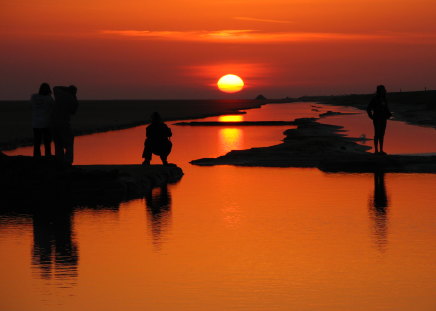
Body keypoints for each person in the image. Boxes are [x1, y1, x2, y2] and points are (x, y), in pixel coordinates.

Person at [53, 85, 78, 165]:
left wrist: (66, 89)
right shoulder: (73, 100)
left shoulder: (60, 95)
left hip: (54, 124)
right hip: (64, 124)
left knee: (58, 144)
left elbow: (55, 88)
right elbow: (73, 111)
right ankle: (68, 161)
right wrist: (73, 96)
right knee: (69, 144)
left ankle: (59, 161)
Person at [30, 83, 54, 157]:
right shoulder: (49, 99)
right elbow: (53, 107)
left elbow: (31, 106)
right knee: (47, 144)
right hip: (46, 124)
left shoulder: (34, 97)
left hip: (36, 124)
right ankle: (47, 158)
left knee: (37, 143)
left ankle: (37, 159)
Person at [367, 85, 392, 154]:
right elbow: (368, 108)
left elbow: (386, 108)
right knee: (377, 134)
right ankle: (376, 150)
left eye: (384, 89)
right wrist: (371, 116)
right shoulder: (374, 99)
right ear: (379, 91)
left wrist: (389, 114)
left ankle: (381, 150)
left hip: (383, 118)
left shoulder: (384, 99)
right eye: (382, 89)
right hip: (377, 118)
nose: (384, 90)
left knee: (382, 134)